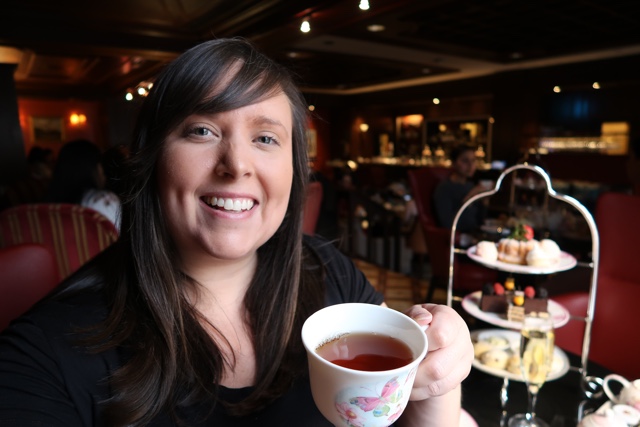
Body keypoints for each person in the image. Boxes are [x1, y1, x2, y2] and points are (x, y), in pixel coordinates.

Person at [0, 38, 472, 426]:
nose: (238, 165)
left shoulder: (330, 275)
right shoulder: (42, 357)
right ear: (151, 160)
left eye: (265, 138)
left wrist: (436, 385)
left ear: (294, 170)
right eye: (202, 130)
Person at [44, 138, 121, 229]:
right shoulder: (103, 201)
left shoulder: (47, 206)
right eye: (100, 163)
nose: (103, 171)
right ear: (91, 168)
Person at [433, 143, 487, 232]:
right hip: (458, 238)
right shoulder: (444, 189)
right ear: (454, 163)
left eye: (473, 160)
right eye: (465, 161)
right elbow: (448, 224)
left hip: (475, 233)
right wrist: (470, 197)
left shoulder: (471, 186)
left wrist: (485, 202)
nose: (470, 165)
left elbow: (479, 222)